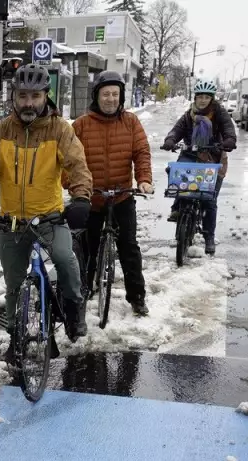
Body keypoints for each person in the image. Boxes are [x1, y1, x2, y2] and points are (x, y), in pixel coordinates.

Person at [0, 63, 94, 360]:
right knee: (13, 284)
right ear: (13, 96)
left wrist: (81, 198)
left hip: (50, 217)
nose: (29, 103)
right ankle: (14, 337)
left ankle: (74, 309)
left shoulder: (59, 129)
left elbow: (77, 165)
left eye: (35, 96)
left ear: (45, 96)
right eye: (23, 96)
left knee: (65, 260)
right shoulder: (2, 131)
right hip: (12, 221)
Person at [71, 71, 153, 317]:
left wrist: (144, 180)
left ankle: (137, 297)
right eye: (106, 94)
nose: (110, 99)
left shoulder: (130, 122)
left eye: (115, 94)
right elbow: (66, 159)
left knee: (129, 247)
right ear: (97, 96)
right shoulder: (81, 125)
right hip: (91, 198)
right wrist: (74, 186)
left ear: (121, 96)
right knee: (86, 249)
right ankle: (84, 291)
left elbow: (141, 152)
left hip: (121, 196)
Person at [161, 79, 236, 255]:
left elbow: (228, 129)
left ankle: (209, 237)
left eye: (206, 97)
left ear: (212, 99)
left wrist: (229, 140)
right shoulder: (189, 114)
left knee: (209, 199)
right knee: (177, 174)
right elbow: (177, 129)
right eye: (200, 97)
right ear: (195, 98)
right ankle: (177, 208)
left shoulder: (219, 113)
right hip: (191, 153)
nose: (202, 100)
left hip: (212, 156)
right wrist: (170, 140)